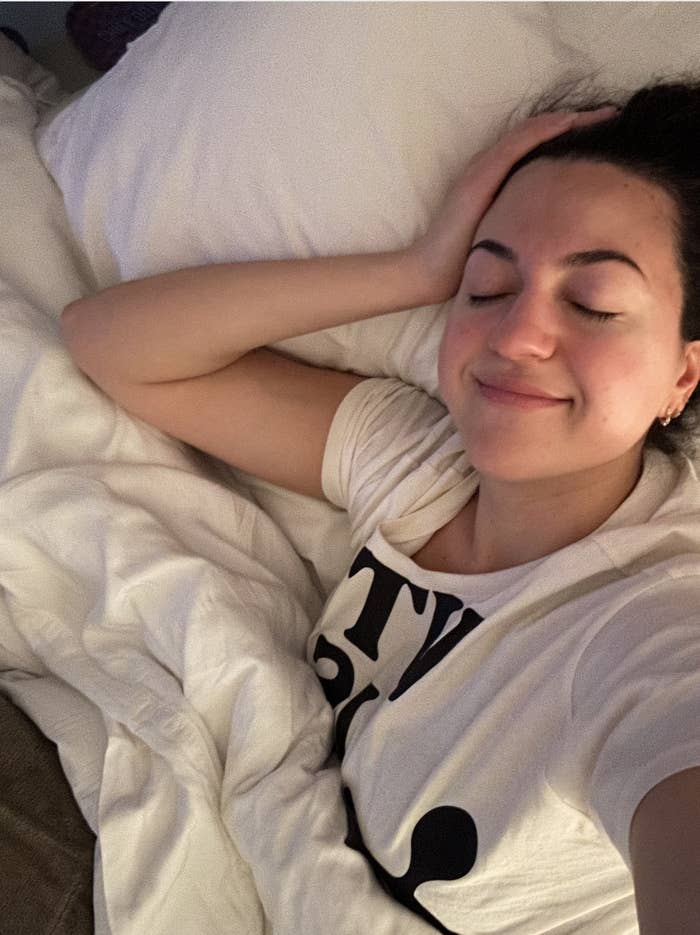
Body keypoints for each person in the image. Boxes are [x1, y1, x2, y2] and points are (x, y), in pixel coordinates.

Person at [60, 79, 700, 934]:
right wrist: (415, 268)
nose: (514, 337)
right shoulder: (421, 465)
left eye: (592, 304)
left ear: (683, 375)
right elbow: (113, 345)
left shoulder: (657, 643)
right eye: (485, 286)